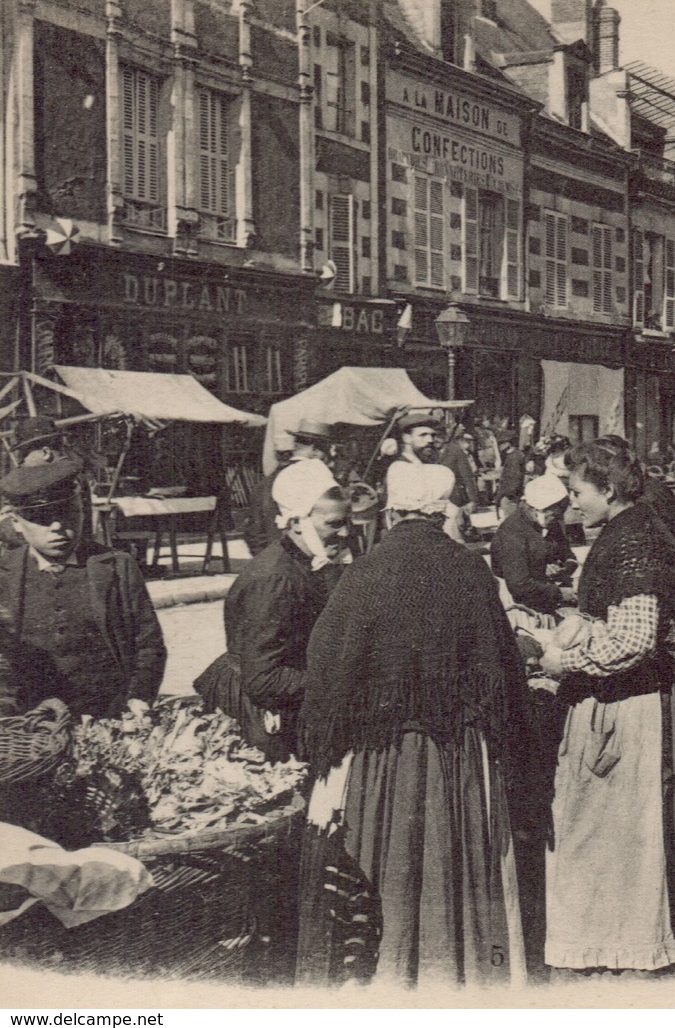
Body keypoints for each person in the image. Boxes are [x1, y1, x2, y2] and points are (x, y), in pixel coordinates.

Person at [296, 462, 528, 988]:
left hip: (386, 756)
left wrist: (328, 743)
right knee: (458, 861)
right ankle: (464, 973)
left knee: (391, 859)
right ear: (443, 509)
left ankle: (390, 975)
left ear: (393, 510)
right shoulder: (470, 569)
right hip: (458, 752)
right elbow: (502, 667)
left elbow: (329, 668)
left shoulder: (366, 572)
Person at [536, 441, 675, 973]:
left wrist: (564, 661)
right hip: (631, 696)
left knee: (621, 831)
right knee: (618, 831)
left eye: (577, 493)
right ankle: (619, 939)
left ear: (609, 490)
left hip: (629, 705)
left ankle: (627, 945)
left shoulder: (634, 540)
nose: (572, 505)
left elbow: (635, 638)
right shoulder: (632, 530)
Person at [197, 459, 350, 758]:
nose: (344, 533)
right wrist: (345, 681)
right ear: (296, 522)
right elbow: (264, 679)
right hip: (256, 707)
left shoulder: (308, 562)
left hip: (279, 691)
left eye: (347, 522)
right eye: (334, 524)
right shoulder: (276, 579)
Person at [0, 458, 166, 720]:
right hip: (29, 723)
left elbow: (147, 644)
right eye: (42, 519)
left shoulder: (116, 565)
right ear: (17, 523)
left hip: (108, 712)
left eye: (66, 514)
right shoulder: (3, 573)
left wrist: (138, 697)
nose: (57, 528)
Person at [247, 418, 339, 556]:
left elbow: (253, 531)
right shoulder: (318, 477)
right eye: (326, 453)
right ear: (315, 450)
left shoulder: (266, 483)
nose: (329, 459)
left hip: (273, 560)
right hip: (309, 560)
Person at [490, 473, 577, 617]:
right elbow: (519, 585)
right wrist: (559, 593)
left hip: (544, 595)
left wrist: (565, 568)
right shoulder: (512, 533)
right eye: (555, 515)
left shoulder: (550, 524)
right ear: (536, 509)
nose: (558, 519)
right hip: (522, 605)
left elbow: (567, 554)